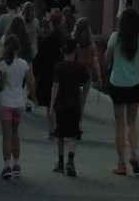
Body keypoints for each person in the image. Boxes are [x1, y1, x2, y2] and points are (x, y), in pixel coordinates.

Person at [103, 4, 139, 176]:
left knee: (119, 124)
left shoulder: (115, 38)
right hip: (134, 84)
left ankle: (121, 163)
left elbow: (107, 59)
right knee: (132, 122)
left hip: (117, 83)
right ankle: (135, 154)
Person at [0, 28, 36, 180]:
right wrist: (34, 98)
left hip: (6, 102)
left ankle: (7, 165)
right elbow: (30, 82)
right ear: (18, 47)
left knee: (6, 135)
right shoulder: (24, 64)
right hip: (19, 102)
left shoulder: (3, 65)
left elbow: (1, 85)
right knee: (15, 133)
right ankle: (17, 164)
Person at [50, 35, 90, 176]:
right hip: (75, 103)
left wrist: (51, 105)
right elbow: (87, 84)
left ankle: (60, 161)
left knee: (60, 133)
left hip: (61, 104)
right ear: (75, 51)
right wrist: (83, 97)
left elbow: (55, 86)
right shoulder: (81, 67)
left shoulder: (59, 67)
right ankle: (70, 160)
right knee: (73, 133)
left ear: (63, 50)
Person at [33, 9, 64, 127]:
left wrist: (36, 75)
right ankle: (59, 126)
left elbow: (39, 59)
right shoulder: (65, 40)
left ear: (51, 23)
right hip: (64, 74)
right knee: (60, 102)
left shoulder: (46, 40)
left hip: (48, 74)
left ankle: (52, 128)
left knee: (50, 103)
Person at [72, 17, 101, 132]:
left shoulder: (73, 42)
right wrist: (99, 77)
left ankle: (73, 122)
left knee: (73, 99)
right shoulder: (91, 44)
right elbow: (95, 61)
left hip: (74, 73)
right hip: (86, 74)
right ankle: (79, 124)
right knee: (82, 102)